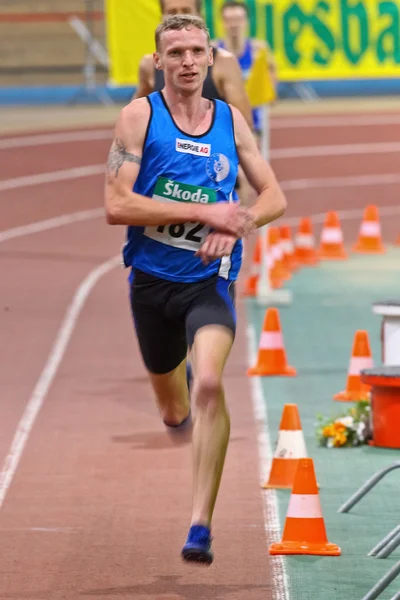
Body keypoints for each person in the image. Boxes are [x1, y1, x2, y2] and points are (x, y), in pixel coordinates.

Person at [105, 14, 286, 565]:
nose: (187, 62)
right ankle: (175, 408)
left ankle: (200, 525)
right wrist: (203, 211)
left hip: (209, 283)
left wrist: (241, 222)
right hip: (151, 283)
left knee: (210, 382)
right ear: (157, 62)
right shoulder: (138, 117)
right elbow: (118, 206)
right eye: (175, 52)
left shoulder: (231, 120)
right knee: (173, 405)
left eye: (195, 52)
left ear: (211, 58)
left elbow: (274, 193)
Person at [134, 0, 254, 132]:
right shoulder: (148, 65)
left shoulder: (224, 62)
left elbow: (244, 126)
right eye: (171, 12)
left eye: (186, 11)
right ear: (161, 17)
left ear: (199, 15)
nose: (179, 18)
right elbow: (136, 119)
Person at [218, 0, 278, 137]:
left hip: (253, 124)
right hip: (222, 124)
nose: (233, 25)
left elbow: (271, 93)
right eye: (229, 20)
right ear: (222, 22)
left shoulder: (259, 52)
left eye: (238, 19)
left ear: (246, 21)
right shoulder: (214, 51)